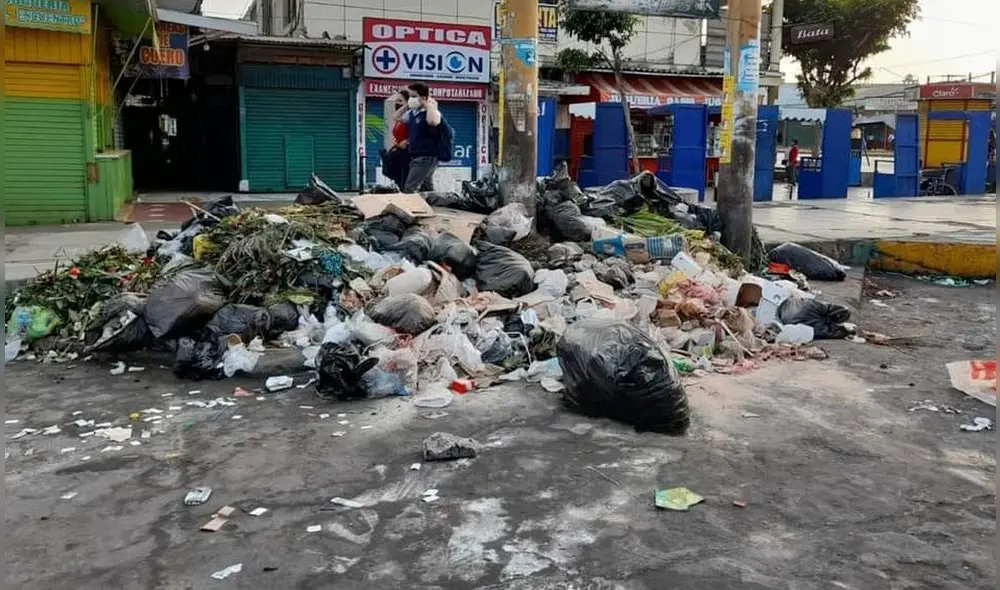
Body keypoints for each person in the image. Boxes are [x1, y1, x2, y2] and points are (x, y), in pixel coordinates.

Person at [394, 82, 442, 193]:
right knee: (427, 189)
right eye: (410, 96)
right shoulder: (412, 113)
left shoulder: (431, 112)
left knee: (410, 188)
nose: (411, 99)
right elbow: (396, 117)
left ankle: (413, 205)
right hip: (416, 155)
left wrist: (428, 105)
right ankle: (435, 203)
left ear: (423, 97)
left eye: (414, 96)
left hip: (426, 156)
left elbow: (432, 121)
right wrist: (407, 105)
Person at [380, 90, 411, 190]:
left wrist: (408, 141)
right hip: (399, 154)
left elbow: (419, 132)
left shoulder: (412, 116)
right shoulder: (401, 118)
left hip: (407, 155)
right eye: (396, 101)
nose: (397, 103)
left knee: (406, 183)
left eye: (400, 101)